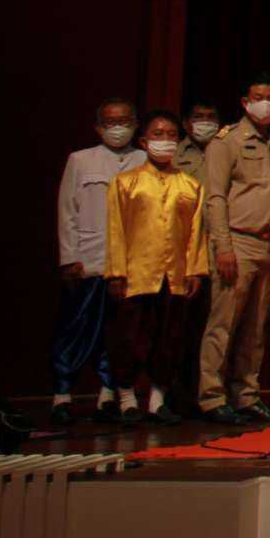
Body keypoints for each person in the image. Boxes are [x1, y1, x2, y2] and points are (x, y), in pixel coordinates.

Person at [194, 76, 270, 427]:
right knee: (223, 324)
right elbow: (215, 197)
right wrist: (222, 245)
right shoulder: (227, 141)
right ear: (245, 102)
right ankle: (212, 397)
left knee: (256, 328)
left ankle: (246, 395)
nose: (265, 103)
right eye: (258, 97)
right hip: (238, 242)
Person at [103, 111, 208, 424]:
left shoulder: (190, 185)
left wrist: (194, 270)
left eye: (171, 135)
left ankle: (157, 400)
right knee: (130, 337)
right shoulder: (126, 183)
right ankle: (126, 398)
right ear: (144, 141)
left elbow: (195, 233)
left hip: (173, 275)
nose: (165, 140)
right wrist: (116, 273)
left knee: (168, 338)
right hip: (136, 274)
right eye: (158, 134)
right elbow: (116, 230)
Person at [50, 97, 146, 425]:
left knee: (119, 332)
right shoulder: (80, 160)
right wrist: (69, 257)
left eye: (124, 121)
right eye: (110, 122)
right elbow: (68, 211)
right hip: (89, 258)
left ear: (136, 124)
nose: (118, 128)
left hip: (130, 265)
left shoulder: (144, 160)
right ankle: (62, 394)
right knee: (77, 327)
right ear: (98, 127)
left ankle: (109, 394)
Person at [176, 99, 222, 184]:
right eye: (198, 117)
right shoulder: (174, 153)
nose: (206, 121)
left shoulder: (228, 151)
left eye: (211, 117)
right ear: (185, 124)